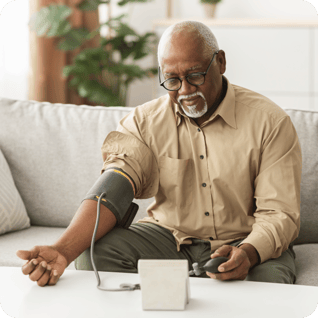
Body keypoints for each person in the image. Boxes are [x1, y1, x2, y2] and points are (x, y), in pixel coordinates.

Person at [16, 20, 301, 287]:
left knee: (270, 284)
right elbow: (115, 187)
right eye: (172, 80)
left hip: (245, 239)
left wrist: (250, 253)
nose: (186, 90)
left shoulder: (270, 122)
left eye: (195, 75)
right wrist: (62, 250)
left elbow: (280, 214)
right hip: (169, 238)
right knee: (95, 253)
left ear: (221, 62)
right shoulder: (143, 122)